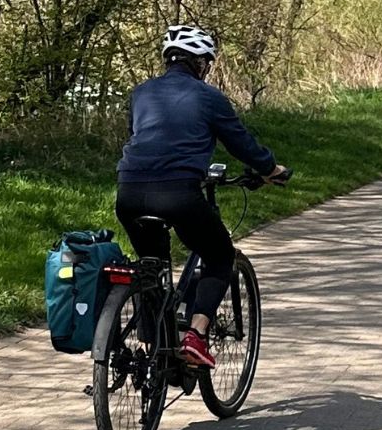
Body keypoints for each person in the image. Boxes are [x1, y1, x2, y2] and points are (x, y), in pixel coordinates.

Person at [115, 25, 290, 367]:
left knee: (151, 269)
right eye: (207, 63)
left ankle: (151, 351)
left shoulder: (141, 93)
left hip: (129, 192)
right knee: (220, 255)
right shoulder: (208, 97)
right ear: (200, 63)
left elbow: (140, 137)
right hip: (178, 194)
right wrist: (271, 169)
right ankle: (195, 336)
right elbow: (241, 144)